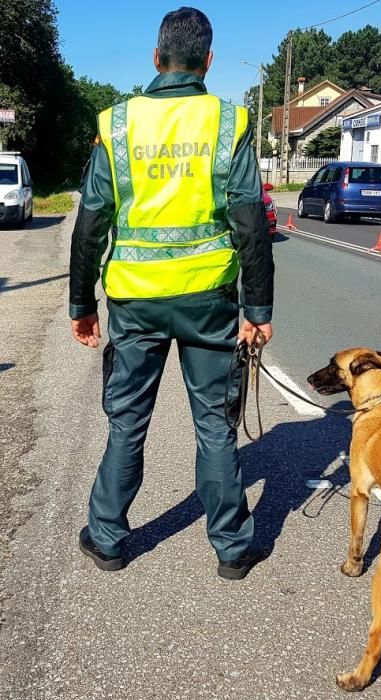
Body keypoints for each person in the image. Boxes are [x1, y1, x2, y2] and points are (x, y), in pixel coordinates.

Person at [69, 7, 274, 580]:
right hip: (209, 300)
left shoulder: (116, 123)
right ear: (208, 61)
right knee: (214, 423)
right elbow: (251, 221)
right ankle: (232, 548)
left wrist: (81, 306)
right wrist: (257, 310)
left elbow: (90, 220)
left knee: (128, 421)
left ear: (156, 58)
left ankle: (108, 538)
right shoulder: (229, 121)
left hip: (135, 301)